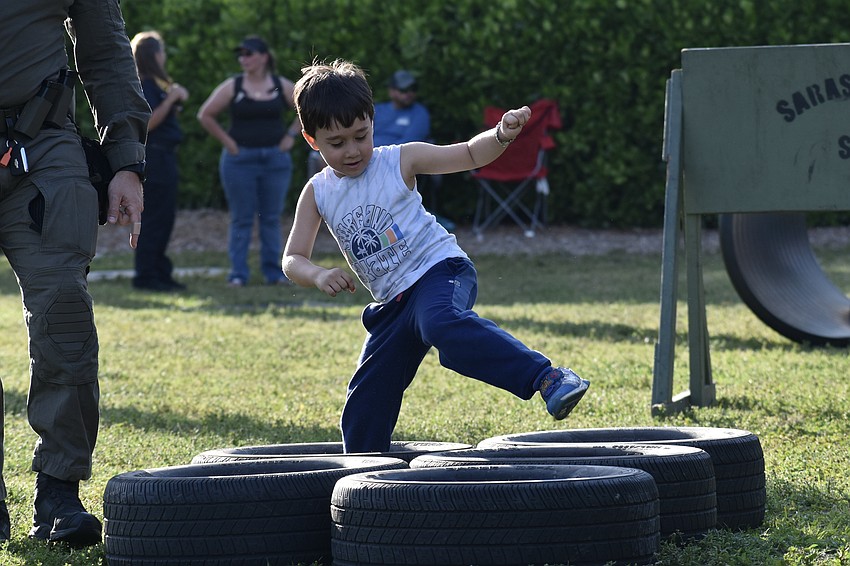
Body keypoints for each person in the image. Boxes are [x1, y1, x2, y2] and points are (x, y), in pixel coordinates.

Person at [283, 60, 590, 453]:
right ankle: (364, 473)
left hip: (438, 271)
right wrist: (318, 274)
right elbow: (292, 258)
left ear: (372, 121)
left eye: (361, 135)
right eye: (336, 143)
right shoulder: (318, 192)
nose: (353, 150)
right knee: (366, 397)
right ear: (312, 140)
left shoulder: (400, 159)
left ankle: (547, 378)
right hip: (393, 305)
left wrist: (501, 134)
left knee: (442, 324)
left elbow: (467, 154)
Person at [0, 1, 148, 546]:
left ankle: (59, 491)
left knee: (64, 313)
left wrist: (127, 161)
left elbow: (106, 53)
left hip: (42, 148)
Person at [197, 36, 301, 287]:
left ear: (264, 57)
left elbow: (307, 109)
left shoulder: (280, 84)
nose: (244, 58)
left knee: (271, 217)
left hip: (275, 160)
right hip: (239, 161)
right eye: (240, 54)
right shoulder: (233, 85)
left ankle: (274, 272)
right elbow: (205, 114)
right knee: (242, 217)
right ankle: (238, 273)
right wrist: (229, 143)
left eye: (249, 53)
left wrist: (290, 136)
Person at [130, 31, 188, 292]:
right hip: (155, 156)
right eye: (162, 52)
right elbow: (149, 122)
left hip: (164, 156)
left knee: (164, 218)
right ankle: (146, 275)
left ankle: (160, 271)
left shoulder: (155, 85)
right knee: (154, 218)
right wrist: (173, 99)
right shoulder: (145, 86)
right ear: (154, 55)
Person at [372, 70, 431, 147]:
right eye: (404, 89)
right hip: (370, 155)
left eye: (413, 89)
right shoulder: (378, 110)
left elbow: (410, 144)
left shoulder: (419, 113)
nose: (409, 93)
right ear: (391, 91)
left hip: (400, 157)